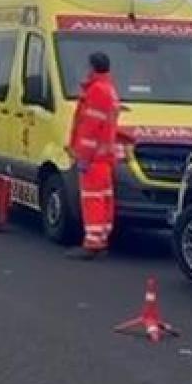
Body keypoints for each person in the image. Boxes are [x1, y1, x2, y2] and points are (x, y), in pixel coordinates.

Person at [67, 51, 120, 260]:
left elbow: (90, 127)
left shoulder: (97, 90)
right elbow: (108, 125)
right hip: (105, 157)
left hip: (95, 158)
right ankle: (102, 239)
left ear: (92, 67)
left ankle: (92, 243)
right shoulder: (109, 89)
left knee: (92, 200)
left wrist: (83, 156)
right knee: (104, 198)